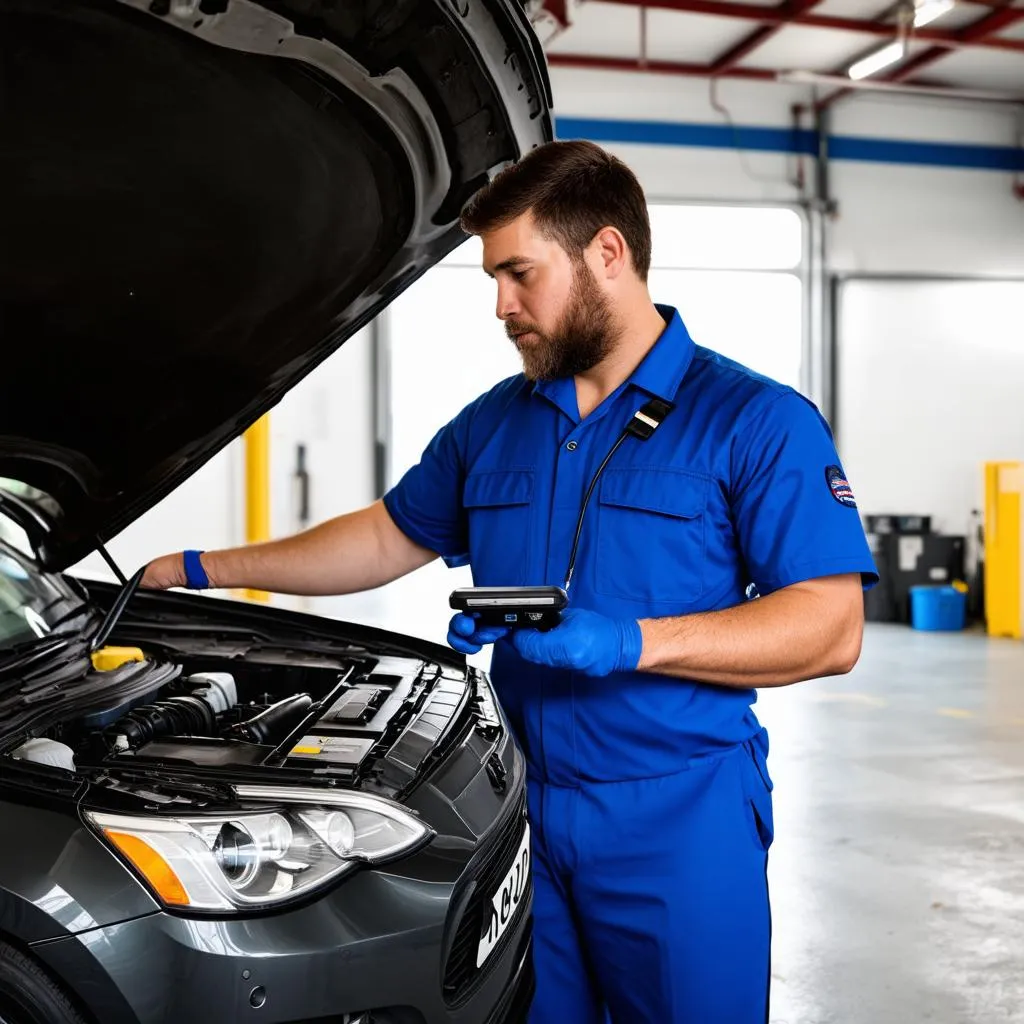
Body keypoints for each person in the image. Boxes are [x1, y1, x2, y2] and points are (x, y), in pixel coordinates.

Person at [143, 139, 878, 1023]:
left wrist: (627, 642)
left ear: (607, 253)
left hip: (679, 819)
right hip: (517, 813)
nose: (501, 306)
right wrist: (202, 569)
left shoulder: (755, 423)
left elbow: (831, 627)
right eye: (493, 279)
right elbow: (385, 537)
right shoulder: (496, 421)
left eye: (519, 274)